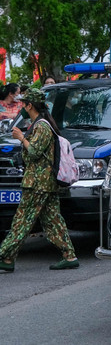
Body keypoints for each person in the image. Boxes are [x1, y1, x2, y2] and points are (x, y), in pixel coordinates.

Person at [0, 89, 79, 272]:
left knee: (22, 220)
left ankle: (5, 255)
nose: (22, 107)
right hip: (44, 183)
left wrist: (21, 138)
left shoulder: (42, 126)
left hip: (38, 183)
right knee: (53, 221)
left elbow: (35, 152)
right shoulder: (39, 124)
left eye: (24, 104)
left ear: (30, 105)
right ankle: (69, 255)